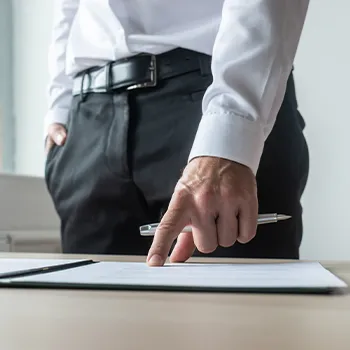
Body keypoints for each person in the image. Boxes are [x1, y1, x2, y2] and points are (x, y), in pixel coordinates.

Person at [45, 0, 310, 266]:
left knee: (237, 306)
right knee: (90, 305)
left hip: (212, 99)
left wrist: (231, 131)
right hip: (88, 118)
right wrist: (60, 105)